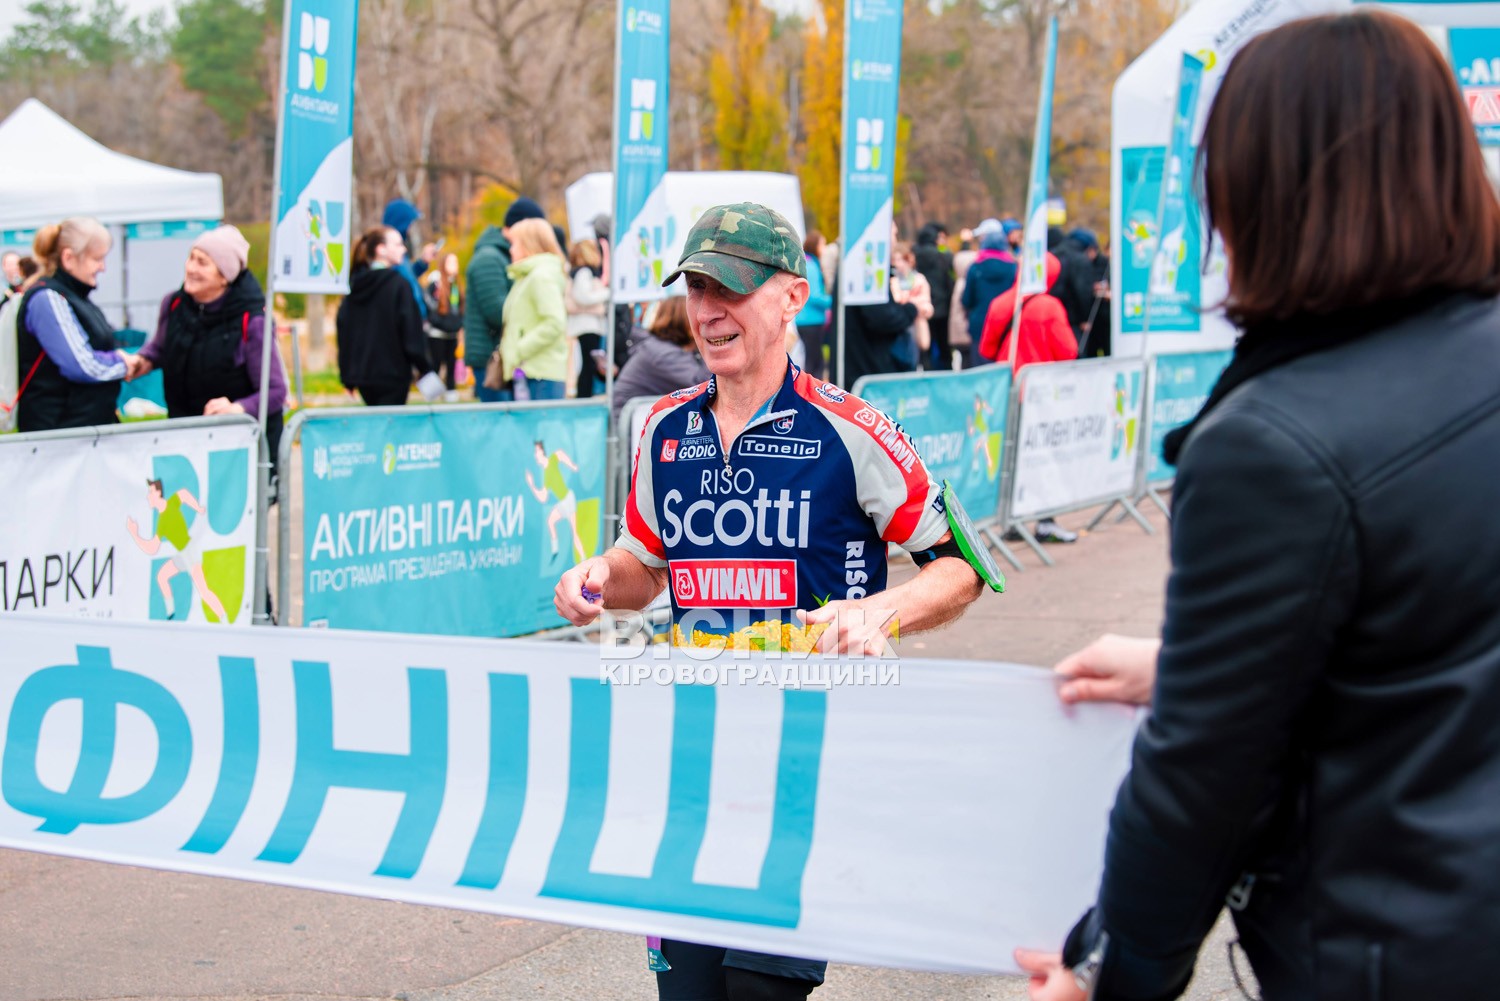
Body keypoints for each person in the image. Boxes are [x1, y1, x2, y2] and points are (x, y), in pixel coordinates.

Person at [1014, 14, 1500, 1000]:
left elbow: (1199, 783)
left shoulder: (1272, 445)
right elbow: (1434, 620)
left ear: (1261, 188)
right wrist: (1193, 663)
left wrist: (1110, 972)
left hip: (1395, 948)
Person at [554, 201, 986, 1001]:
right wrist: (595, 579)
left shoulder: (852, 428)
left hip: (804, 765)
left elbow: (960, 565)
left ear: (792, 296)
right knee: (687, 996)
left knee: (760, 994)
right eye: (696, 289)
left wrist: (878, 611)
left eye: (733, 289)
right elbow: (644, 564)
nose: (709, 311)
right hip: (692, 761)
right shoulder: (666, 429)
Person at [134, 225, 288, 469]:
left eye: (203, 263)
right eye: (191, 258)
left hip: (238, 450)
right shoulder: (173, 304)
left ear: (224, 277)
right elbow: (160, 348)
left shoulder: (252, 321)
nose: (191, 268)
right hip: (185, 439)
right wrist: (141, 360)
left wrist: (237, 408)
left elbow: (276, 391)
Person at [977, 251, 1079, 545]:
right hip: (1042, 395)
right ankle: (1045, 521)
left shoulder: (1000, 303)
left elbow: (986, 348)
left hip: (1005, 392)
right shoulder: (1049, 306)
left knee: (1011, 457)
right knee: (1044, 458)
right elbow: (1068, 350)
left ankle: (1012, 521)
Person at [14, 218, 131, 432]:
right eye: (97, 259)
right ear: (68, 258)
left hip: (82, 429)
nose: (102, 267)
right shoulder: (48, 298)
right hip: (59, 435)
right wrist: (125, 363)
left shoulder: (74, 295)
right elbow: (81, 365)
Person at [336, 226, 437, 406]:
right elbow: (411, 333)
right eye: (398, 244)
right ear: (380, 249)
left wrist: (348, 376)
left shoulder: (356, 286)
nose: (404, 249)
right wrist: (425, 368)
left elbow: (344, 332)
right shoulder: (398, 285)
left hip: (364, 376)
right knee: (393, 429)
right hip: (394, 374)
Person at [465, 196, 547, 402]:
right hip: (490, 360)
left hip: (502, 354)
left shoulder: (500, 256)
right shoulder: (489, 259)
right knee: (500, 426)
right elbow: (496, 310)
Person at [126, 478, 229, 623]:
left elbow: (184, 494)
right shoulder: (161, 521)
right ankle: (170, 613)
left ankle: (223, 617)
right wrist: (135, 535)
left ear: (158, 493)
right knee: (162, 576)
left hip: (189, 551)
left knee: (203, 590)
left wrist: (198, 508)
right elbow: (152, 547)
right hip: (182, 554)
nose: (148, 496)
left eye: (150, 492)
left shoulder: (171, 504)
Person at [498, 217, 569, 400]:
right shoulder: (528, 277)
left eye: (514, 244)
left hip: (540, 374)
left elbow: (554, 322)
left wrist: (520, 349)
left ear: (528, 245)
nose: (510, 250)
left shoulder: (540, 277)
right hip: (530, 371)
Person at [610, 295, 709, 422]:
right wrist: (709, 343)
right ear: (684, 320)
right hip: (634, 430)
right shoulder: (662, 354)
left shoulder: (660, 347)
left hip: (641, 423)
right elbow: (702, 384)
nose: (703, 321)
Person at [959, 223, 1019, 366]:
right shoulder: (1014, 267)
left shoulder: (975, 268)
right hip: (1007, 324)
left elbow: (966, 300)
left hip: (980, 326)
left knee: (982, 372)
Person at [565, 238, 611, 399]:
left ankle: (584, 395)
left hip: (586, 325)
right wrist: (607, 293)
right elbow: (582, 296)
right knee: (588, 365)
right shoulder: (584, 273)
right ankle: (584, 396)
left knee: (587, 364)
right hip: (587, 325)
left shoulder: (578, 272)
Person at [382, 198, 439, 320]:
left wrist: (422, 262)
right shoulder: (389, 256)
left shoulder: (400, 253)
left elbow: (407, 277)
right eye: (409, 223)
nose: (410, 228)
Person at [913, 222, 954, 370]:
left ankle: (927, 371)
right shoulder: (943, 256)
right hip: (942, 307)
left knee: (926, 347)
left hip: (922, 307)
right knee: (944, 345)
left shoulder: (914, 256)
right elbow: (949, 281)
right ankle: (947, 372)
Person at [423, 253, 464, 400]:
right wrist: (440, 322)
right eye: (451, 262)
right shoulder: (436, 284)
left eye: (456, 262)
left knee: (451, 363)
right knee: (435, 363)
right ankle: (432, 393)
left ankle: (451, 390)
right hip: (436, 333)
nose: (454, 265)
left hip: (452, 333)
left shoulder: (456, 284)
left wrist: (457, 324)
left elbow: (459, 307)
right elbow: (430, 306)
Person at [793, 229, 833, 378]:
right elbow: (814, 295)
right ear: (815, 245)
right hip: (812, 321)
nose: (825, 248)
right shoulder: (812, 266)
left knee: (812, 360)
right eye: (823, 244)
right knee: (815, 363)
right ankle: (810, 395)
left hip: (805, 320)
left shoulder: (806, 263)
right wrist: (833, 302)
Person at [889, 241, 933, 371]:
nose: (899, 264)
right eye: (896, 260)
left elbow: (927, 303)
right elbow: (896, 301)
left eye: (901, 259)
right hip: (901, 328)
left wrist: (910, 301)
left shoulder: (919, 279)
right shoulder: (894, 281)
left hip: (918, 326)